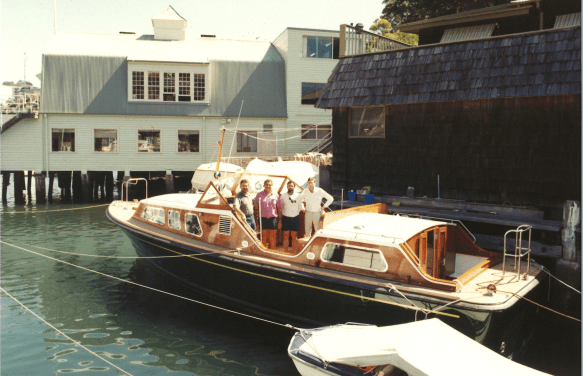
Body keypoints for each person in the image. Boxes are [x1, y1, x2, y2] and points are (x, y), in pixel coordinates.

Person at [253, 179, 283, 249]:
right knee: (263, 237)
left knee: (273, 237)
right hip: (262, 219)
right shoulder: (259, 195)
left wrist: (280, 220)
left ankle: (272, 251)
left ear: (272, 186)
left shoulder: (276, 195)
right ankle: (264, 252)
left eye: (270, 185)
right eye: (267, 184)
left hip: (273, 219)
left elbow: (279, 208)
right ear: (264, 185)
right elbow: (256, 208)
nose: (268, 186)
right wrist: (256, 221)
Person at [280, 181, 303, 253]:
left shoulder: (298, 195)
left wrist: (295, 213)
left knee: (294, 236)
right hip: (286, 218)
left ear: (294, 187)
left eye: (292, 186)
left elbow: (300, 206)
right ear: (287, 187)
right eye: (289, 186)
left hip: (295, 218)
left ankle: (294, 252)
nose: (290, 187)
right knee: (285, 236)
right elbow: (280, 207)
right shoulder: (283, 195)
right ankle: (285, 251)